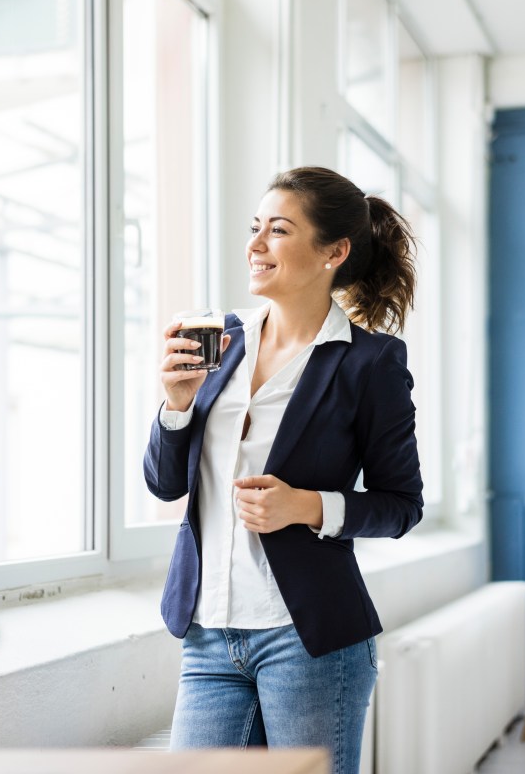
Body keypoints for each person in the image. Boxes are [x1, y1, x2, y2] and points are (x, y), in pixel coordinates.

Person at [143, 166, 424, 773]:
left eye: (278, 230)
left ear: (334, 252)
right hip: (207, 634)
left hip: (309, 639)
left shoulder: (370, 362)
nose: (255, 244)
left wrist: (310, 506)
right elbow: (166, 484)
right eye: (254, 228)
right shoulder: (220, 342)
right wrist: (175, 402)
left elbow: (402, 503)